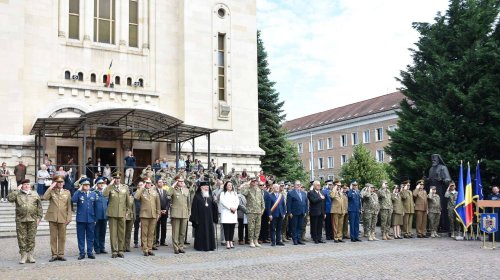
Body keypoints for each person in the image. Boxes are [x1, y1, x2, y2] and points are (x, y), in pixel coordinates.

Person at [8, 179, 43, 264]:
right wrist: (16, 189)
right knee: (21, 238)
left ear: (30, 186)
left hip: (32, 219)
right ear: (22, 186)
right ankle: (23, 255)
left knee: (31, 238)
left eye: (28, 184)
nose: (27, 186)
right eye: (25, 184)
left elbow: (39, 207)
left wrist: (39, 218)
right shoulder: (17, 194)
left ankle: (30, 255)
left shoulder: (35, 194)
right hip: (21, 220)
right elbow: (10, 199)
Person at [43, 175, 73, 262]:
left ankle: (61, 254)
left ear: (63, 183)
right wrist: (50, 187)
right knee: (53, 237)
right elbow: (44, 197)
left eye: (61, 182)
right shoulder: (52, 191)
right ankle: (54, 255)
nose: (60, 184)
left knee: (62, 237)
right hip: (52, 217)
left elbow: (69, 206)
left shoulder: (67, 192)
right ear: (55, 183)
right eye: (58, 182)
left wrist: (69, 217)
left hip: (63, 217)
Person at [104, 172, 131, 258]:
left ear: (120, 179)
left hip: (122, 213)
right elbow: (104, 194)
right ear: (113, 179)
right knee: (113, 233)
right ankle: (114, 251)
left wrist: (127, 211)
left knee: (121, 233)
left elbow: (128, 201)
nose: (117, 180)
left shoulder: (125, 188)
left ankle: (120, 250)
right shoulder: (110, 188)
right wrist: (109, 184)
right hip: (112, 213)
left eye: (118, 178)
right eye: (115, 178)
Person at [72, 178, 97, 260]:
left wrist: (95, 218)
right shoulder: (79, 194)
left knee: (90, 236)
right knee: (81, 237)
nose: (87, 186)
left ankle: (90, 252)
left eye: (88, 185)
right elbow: (73, 200)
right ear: (82, 186)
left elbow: (95, 207)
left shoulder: (93, 194)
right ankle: (82, 253)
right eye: (85, 185)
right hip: (81, 219)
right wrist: (79, 190)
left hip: (91, 218)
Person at [134, 179, 160, 256]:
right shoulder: (141, 192)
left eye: (149, 183)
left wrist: (158, 213)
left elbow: (157, 203)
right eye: (147, 183)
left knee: (151, 233)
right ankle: (145, 249)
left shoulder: (154, 192)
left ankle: (150, 248)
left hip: (153, 215)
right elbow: (136, 197)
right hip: (144, 215)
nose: (148, 184)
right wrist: (141, 187)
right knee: (144, 233)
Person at [190, 180, 218, 251]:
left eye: (207, 187)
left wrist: (215, 203)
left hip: (209, 218)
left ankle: (210, 246)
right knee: (201, 232)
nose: (206, 188)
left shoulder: (211, 196)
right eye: (205, 187)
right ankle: (200, 246)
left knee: (209, 231)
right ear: (201, 188)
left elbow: (214, 207)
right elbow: (194, 208)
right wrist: (195, 219)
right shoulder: (197, 196)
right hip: (200, 218)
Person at [166, 175, 191, 254]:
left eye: (182, 181)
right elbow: (168, 195)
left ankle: (181, 246)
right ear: (176, 182)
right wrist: (173, 185)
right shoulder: (173, 189)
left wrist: (189, 212)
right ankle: (176, 247)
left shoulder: (186, 190)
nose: (181, 182)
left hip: (184, 213)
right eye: (179, 181)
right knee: (175, 232)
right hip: (176, 213)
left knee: (182, 232)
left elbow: (188, 202)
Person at [427, 154, 451, 232]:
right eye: (432, 159)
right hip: (432, 190)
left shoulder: (443, 168)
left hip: (440, 190)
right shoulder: (431, 169)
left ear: (438, 160)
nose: (433, 161)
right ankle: (433, 227)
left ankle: (443, 226)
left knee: (441, 208)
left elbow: (448, 180)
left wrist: (443, 180)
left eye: (435, 159)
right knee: (431, 207)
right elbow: (430, 180)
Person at [239, 177, 265, 248]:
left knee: (258, 227)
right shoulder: (248, 190)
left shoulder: (259, 190)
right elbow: (242, 192)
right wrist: (247, 184)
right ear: (251, 182)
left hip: (259, 211)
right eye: (253, 182)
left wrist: (262, 209)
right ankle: (251, 241)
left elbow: (262, 201)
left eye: (255, 181)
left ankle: (256, 240)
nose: (254, 183)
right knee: (251, 227)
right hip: (251, 212)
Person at [287, 180, 308, 245]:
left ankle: (299, 239)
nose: (299, 186)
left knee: (300, 227)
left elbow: (305, 203)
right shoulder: (290, 193)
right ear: (294, 185)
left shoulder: (303, 193)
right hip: (294, 213)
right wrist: (289, 212)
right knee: (294, 227)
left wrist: (305, 211)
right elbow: (288, 204)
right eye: (297, 184)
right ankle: (295, 240)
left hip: (302, 212)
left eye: (299, 184)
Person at [219, 181, 239, 249]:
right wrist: (230, 207)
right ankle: (227, 242)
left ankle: (231, 241)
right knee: (226, 228)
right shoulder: (223, 193)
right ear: (226, 186)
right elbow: (223, 202)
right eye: (228, 185)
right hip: (226, 212)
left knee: (232, 228)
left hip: (233, 213)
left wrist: (235, 207)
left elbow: (237, 201)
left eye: (231, 185)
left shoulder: (235, 193)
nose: (230, 186)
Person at [93, 177, 108, 254]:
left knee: (103, 232)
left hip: (104, 216)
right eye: (100, 184)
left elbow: (107, 204)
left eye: (102, 184)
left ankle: (102, 247)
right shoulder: (94, 193)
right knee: (96, 232)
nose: (101, 185)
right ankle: (97, 248)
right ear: (97, 184)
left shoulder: (105, 193)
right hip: (97, 216)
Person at [156, 179, 170, 247]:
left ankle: (163, 241)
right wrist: (159, 210)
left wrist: (166, 209)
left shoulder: (166, 192)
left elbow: (168, 202)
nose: (161, 183)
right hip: (157, 212)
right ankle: (156, 241)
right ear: (157, 183)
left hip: (165, 212)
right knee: (157, 227)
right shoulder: (155, 192)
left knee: (164, 227)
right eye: (159, 182)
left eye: (161, 182)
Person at [124, 188, 136, 252]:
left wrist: (134, 217)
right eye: (126, 190)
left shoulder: (132, 198)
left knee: (128, 233)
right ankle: (122, 246)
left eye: (128, 190)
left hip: (130, 217)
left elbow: (133, 208)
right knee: (122, 232)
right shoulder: (122, 197)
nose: (127, 191)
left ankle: (127, 246)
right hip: (123, 216)